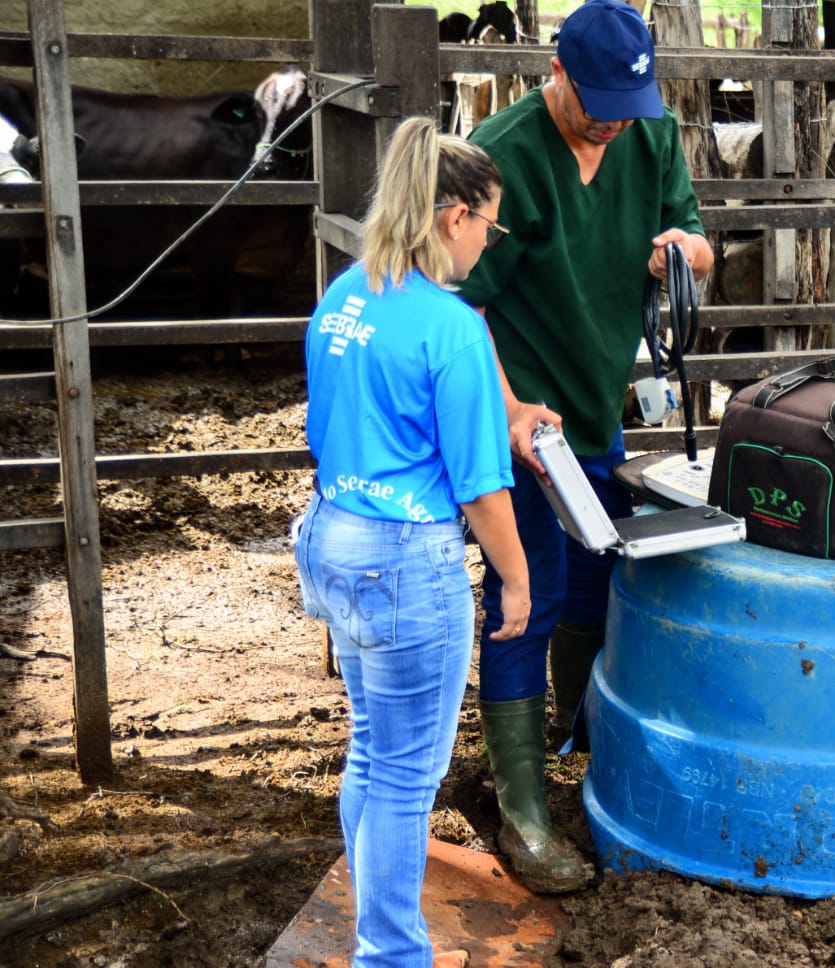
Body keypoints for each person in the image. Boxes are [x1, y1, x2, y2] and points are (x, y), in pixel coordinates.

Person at [455, 0, 713, 892]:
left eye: (625, 100)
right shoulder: (506, 153)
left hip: (595, 408)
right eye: (594, 96)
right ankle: (522, 810)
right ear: (555, 71)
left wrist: (683, 250)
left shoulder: (649, 133)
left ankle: (582, 743)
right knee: (529, 587)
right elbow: (459, 302)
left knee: (604, 573)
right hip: (520, 413)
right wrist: (511, 407)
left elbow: (695, 237)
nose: (610, 116)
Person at [293, 116, 529, 966]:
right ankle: (390, 955)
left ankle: (374, 932)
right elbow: (481, 483)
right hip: (404, 560)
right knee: (404, 775)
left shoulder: (345, 296)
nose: (487, 247)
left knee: (373, 747)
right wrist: (515, 577)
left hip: (333, 535)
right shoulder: (453, 325)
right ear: (454, 216)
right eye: (489, 226)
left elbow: (329, 425)